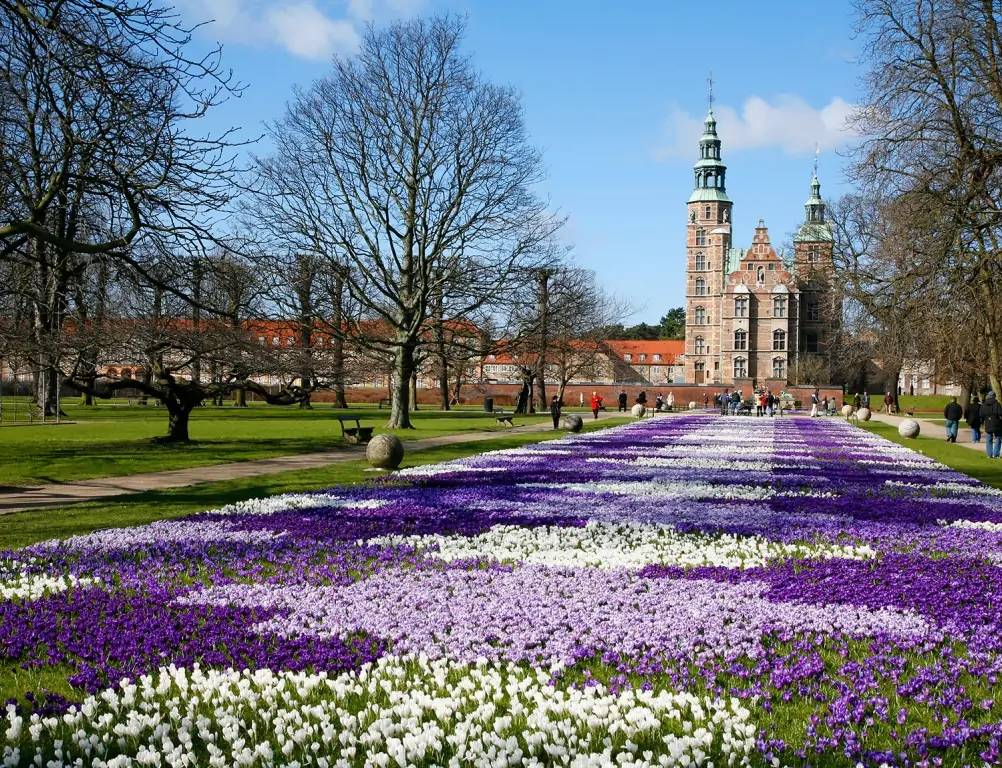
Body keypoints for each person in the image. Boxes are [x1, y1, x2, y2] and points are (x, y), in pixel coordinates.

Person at [980, 392, 1002, 459]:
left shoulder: (983, 405)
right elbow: (1000, 413)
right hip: (997, 423)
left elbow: (981, 414)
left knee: (989, 439)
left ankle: (989, 454)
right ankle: (996, 454)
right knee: (998, 438)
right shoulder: (997, 404)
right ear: (994, 396)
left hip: (988, 423)